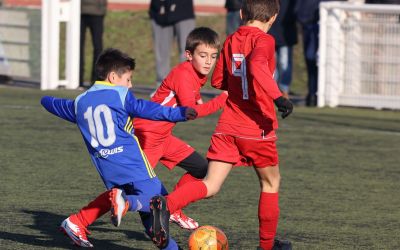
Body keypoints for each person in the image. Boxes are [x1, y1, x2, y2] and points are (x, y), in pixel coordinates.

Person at [149, 0, 294, 249]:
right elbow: (258, 66)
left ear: (240, 13)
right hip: (256, 126)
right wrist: (278, 97)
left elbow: (218, 80)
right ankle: (267, 245)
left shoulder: (230, 40)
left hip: (227, 124)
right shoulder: (265, 40)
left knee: (210, 184)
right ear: (273, 17)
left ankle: (167, 205)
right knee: (271, 182)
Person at [63, 27, 227, 233]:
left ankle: (172, 207)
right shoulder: (184, 74)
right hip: (149, 136)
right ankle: (78, 220)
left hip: (163, 136)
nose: (208, 61)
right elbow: (190, 111)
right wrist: (222, 100)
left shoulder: (193, 74)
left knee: (202, 169)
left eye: (213, 56)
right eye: (203, 56)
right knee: (126, 187)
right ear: (188, 55)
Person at [41, 48, 198, 249]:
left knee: (155, 221)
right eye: (128, 79)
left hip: (107, 167)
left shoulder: (79, 102)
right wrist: (180, 113)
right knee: (160, 202)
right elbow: (148, 109)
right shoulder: (121, 96)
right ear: (113, 77)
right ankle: (126, 202)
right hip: (133, 164)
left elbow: (53, 104)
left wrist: (45, 100)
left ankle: (78, 221)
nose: (130, 85)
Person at [149, 0, 195, 89]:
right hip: (159, 11)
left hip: (183, 10)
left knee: (187, 52)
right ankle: (162, 89)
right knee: (162, 53)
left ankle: (186, 88)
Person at [268, 0, 298, 99]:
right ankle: (272, 90)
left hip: (285, 34)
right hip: (270, 33)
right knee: (271, 65)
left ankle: (283, 89)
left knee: (284, 63)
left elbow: (296, 10)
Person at [79, 0, 107, 89]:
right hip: (81, 11)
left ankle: (95, 79)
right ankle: (79, 79)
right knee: (78, 47)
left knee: (97, 47)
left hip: (96, 11)